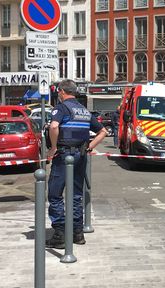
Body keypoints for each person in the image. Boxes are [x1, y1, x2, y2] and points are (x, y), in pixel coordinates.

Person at [46, 79, 108, 248]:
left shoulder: (61, 108)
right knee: (76, 194)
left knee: (55, 193)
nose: (58, 94)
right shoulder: (84, 110)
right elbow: (103, 131)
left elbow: (53, 127)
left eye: (59, 91)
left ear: (62, 92)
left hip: (64, 155)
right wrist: (89, 147)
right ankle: (77, 233)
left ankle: (60, 233)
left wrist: (52, 148)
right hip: (80, 155)